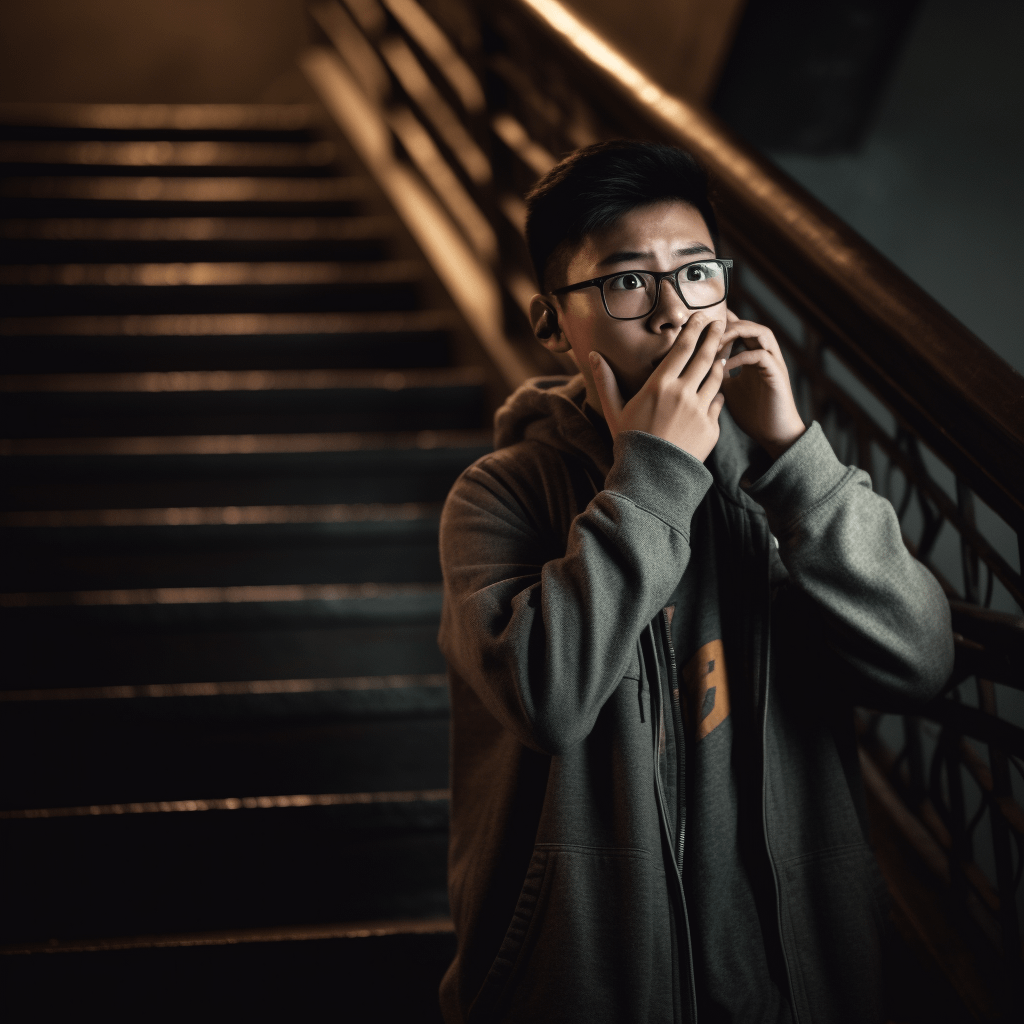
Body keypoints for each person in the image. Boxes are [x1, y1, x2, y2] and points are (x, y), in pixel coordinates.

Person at [436, 140, 953, 1024]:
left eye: (698, 272)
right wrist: (658, 472)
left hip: (798, 981)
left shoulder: (780, 482)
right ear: (553, 323)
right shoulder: (501, 494)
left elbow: (919, 661)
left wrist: (794, 454)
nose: (676, 310)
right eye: (627, 281)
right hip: (593, 983)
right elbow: (549, 697)